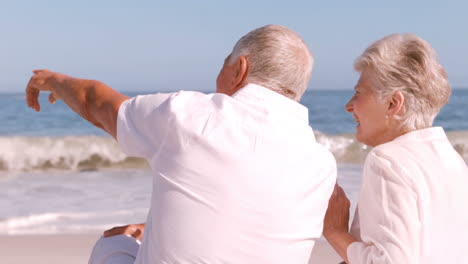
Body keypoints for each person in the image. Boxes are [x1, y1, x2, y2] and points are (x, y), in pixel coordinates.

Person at [26, 25, 337, 263]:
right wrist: (161, 226)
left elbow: (97, 103)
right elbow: (254, 217)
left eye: (224, 63)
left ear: (240, 68)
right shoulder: (322, 165)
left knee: (115, 245)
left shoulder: (191, 116)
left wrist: (53, 80)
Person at [323, 33, 468, 263]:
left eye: (359, 93)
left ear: (394, 103)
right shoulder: (453, 160)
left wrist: (335, 233)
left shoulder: (388, 160)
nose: (349, 105)